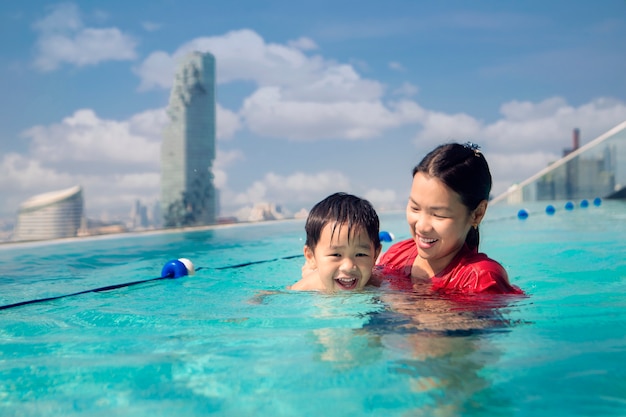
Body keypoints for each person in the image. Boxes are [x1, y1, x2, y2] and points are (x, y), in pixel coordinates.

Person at [377, 142, 523, 294]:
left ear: (477, 214)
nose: (421, 226)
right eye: (415, 208)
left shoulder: (480, 279)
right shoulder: (396, 255)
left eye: (438, 215)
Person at [289, 192, 382, 292]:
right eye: (336, 254)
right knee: (310, 273)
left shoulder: (378, 285)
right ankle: (309, 270)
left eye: (360, 254)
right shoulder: (304, 287)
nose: (348, 267)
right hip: (316, 276)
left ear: (375, 256)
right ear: (310, 256)